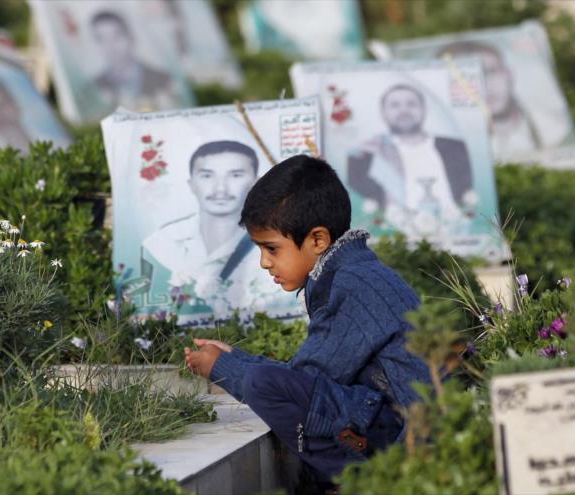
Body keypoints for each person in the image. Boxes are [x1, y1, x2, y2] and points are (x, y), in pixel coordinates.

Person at [184, 155, 431, 492]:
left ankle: (360, 483)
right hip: (397, 424)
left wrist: (225, 368)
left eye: (272, 248)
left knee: (262, 385)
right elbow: (310, 376)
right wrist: (235, 359)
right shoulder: (351, 273)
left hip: (412, 442)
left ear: (317, 240)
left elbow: (307, 378)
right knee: (268, 381)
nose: (264, 263)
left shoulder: (352, 285)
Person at [142, 141, 278, 313]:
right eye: (207, 176)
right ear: (191, 184)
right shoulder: (160, 244)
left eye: (236, 175)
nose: (220, 188)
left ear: (256, 183)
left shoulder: (274, 244)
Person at [347, 83, 473, 221]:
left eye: (411, 104)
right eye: (395, 105)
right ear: (383, 112)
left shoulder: (457, 148)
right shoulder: (365, 155)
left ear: (424, 109)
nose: (404, 110)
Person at [436, 40, 543, 157]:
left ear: (509, 74)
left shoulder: (552, 126)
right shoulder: (447, 149)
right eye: (466, 78)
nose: (483, 86)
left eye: (490, 72)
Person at [88, 10, 174, 111]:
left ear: (131, 36)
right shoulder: (94, 87)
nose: (110, 46)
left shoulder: (162, 79)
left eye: (116, 36)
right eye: (101, 39)